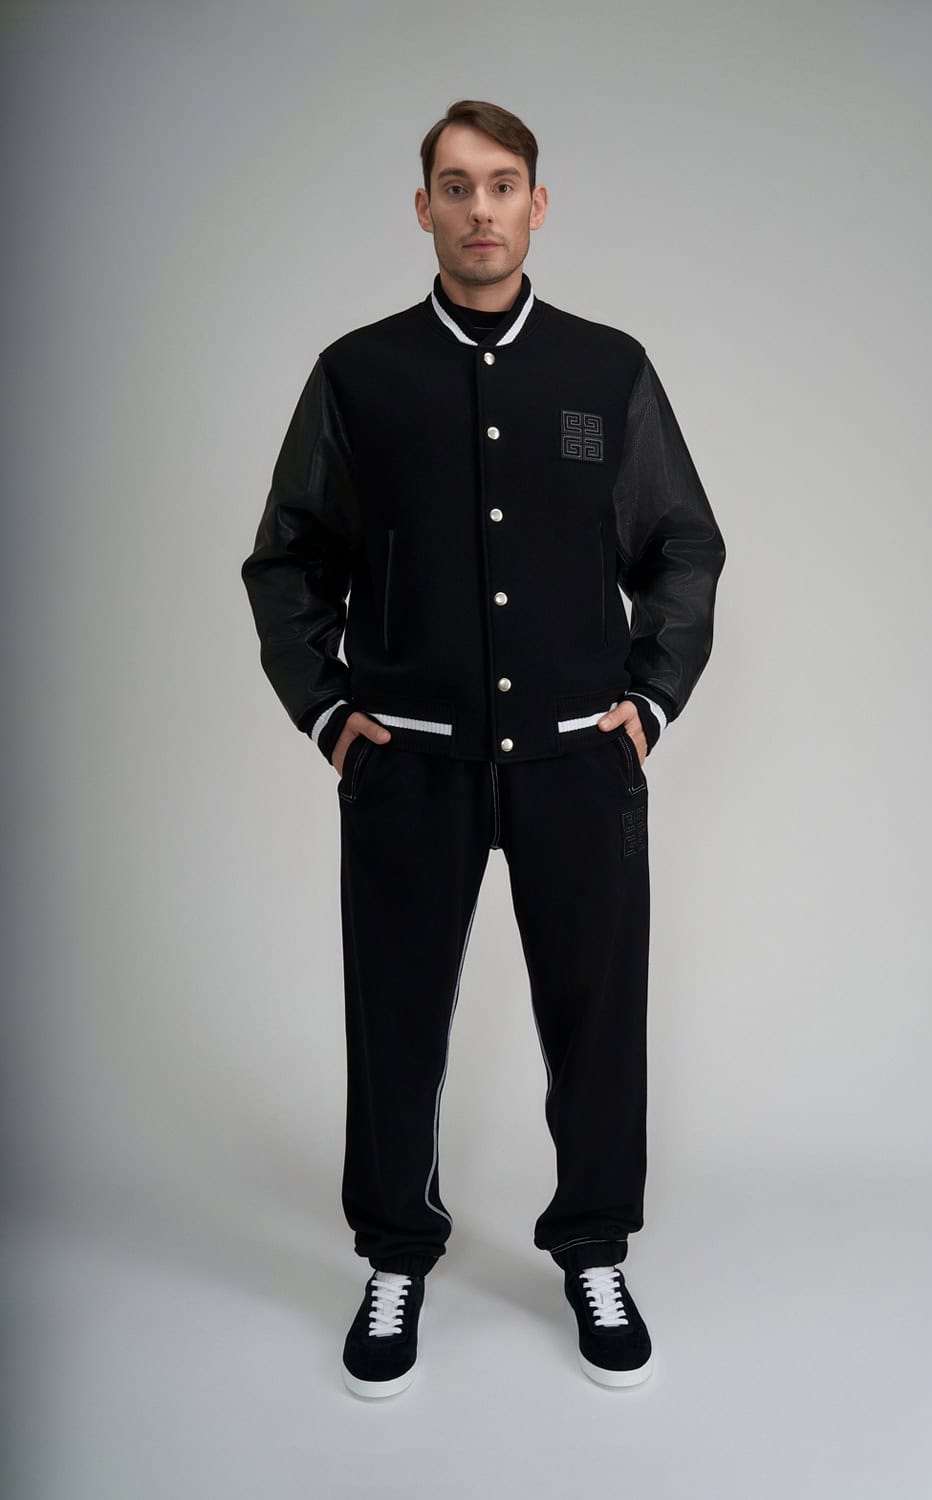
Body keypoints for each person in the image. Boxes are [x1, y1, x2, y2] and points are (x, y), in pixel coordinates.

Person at [240, 98, 726, 1400]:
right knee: (395, 1016)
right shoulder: (360, 375)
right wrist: (330, 713)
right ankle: (395, 1254)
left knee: (596, 1020)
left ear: (538, 205)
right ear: (423, 209)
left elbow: (681, 542)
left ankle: (594, 1249)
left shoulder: (607, 371)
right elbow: (290, 558)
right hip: (410, 762)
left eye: (502, 184)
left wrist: (651, 699)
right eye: (455, 187)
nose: (480, 209)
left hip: (577, 759)